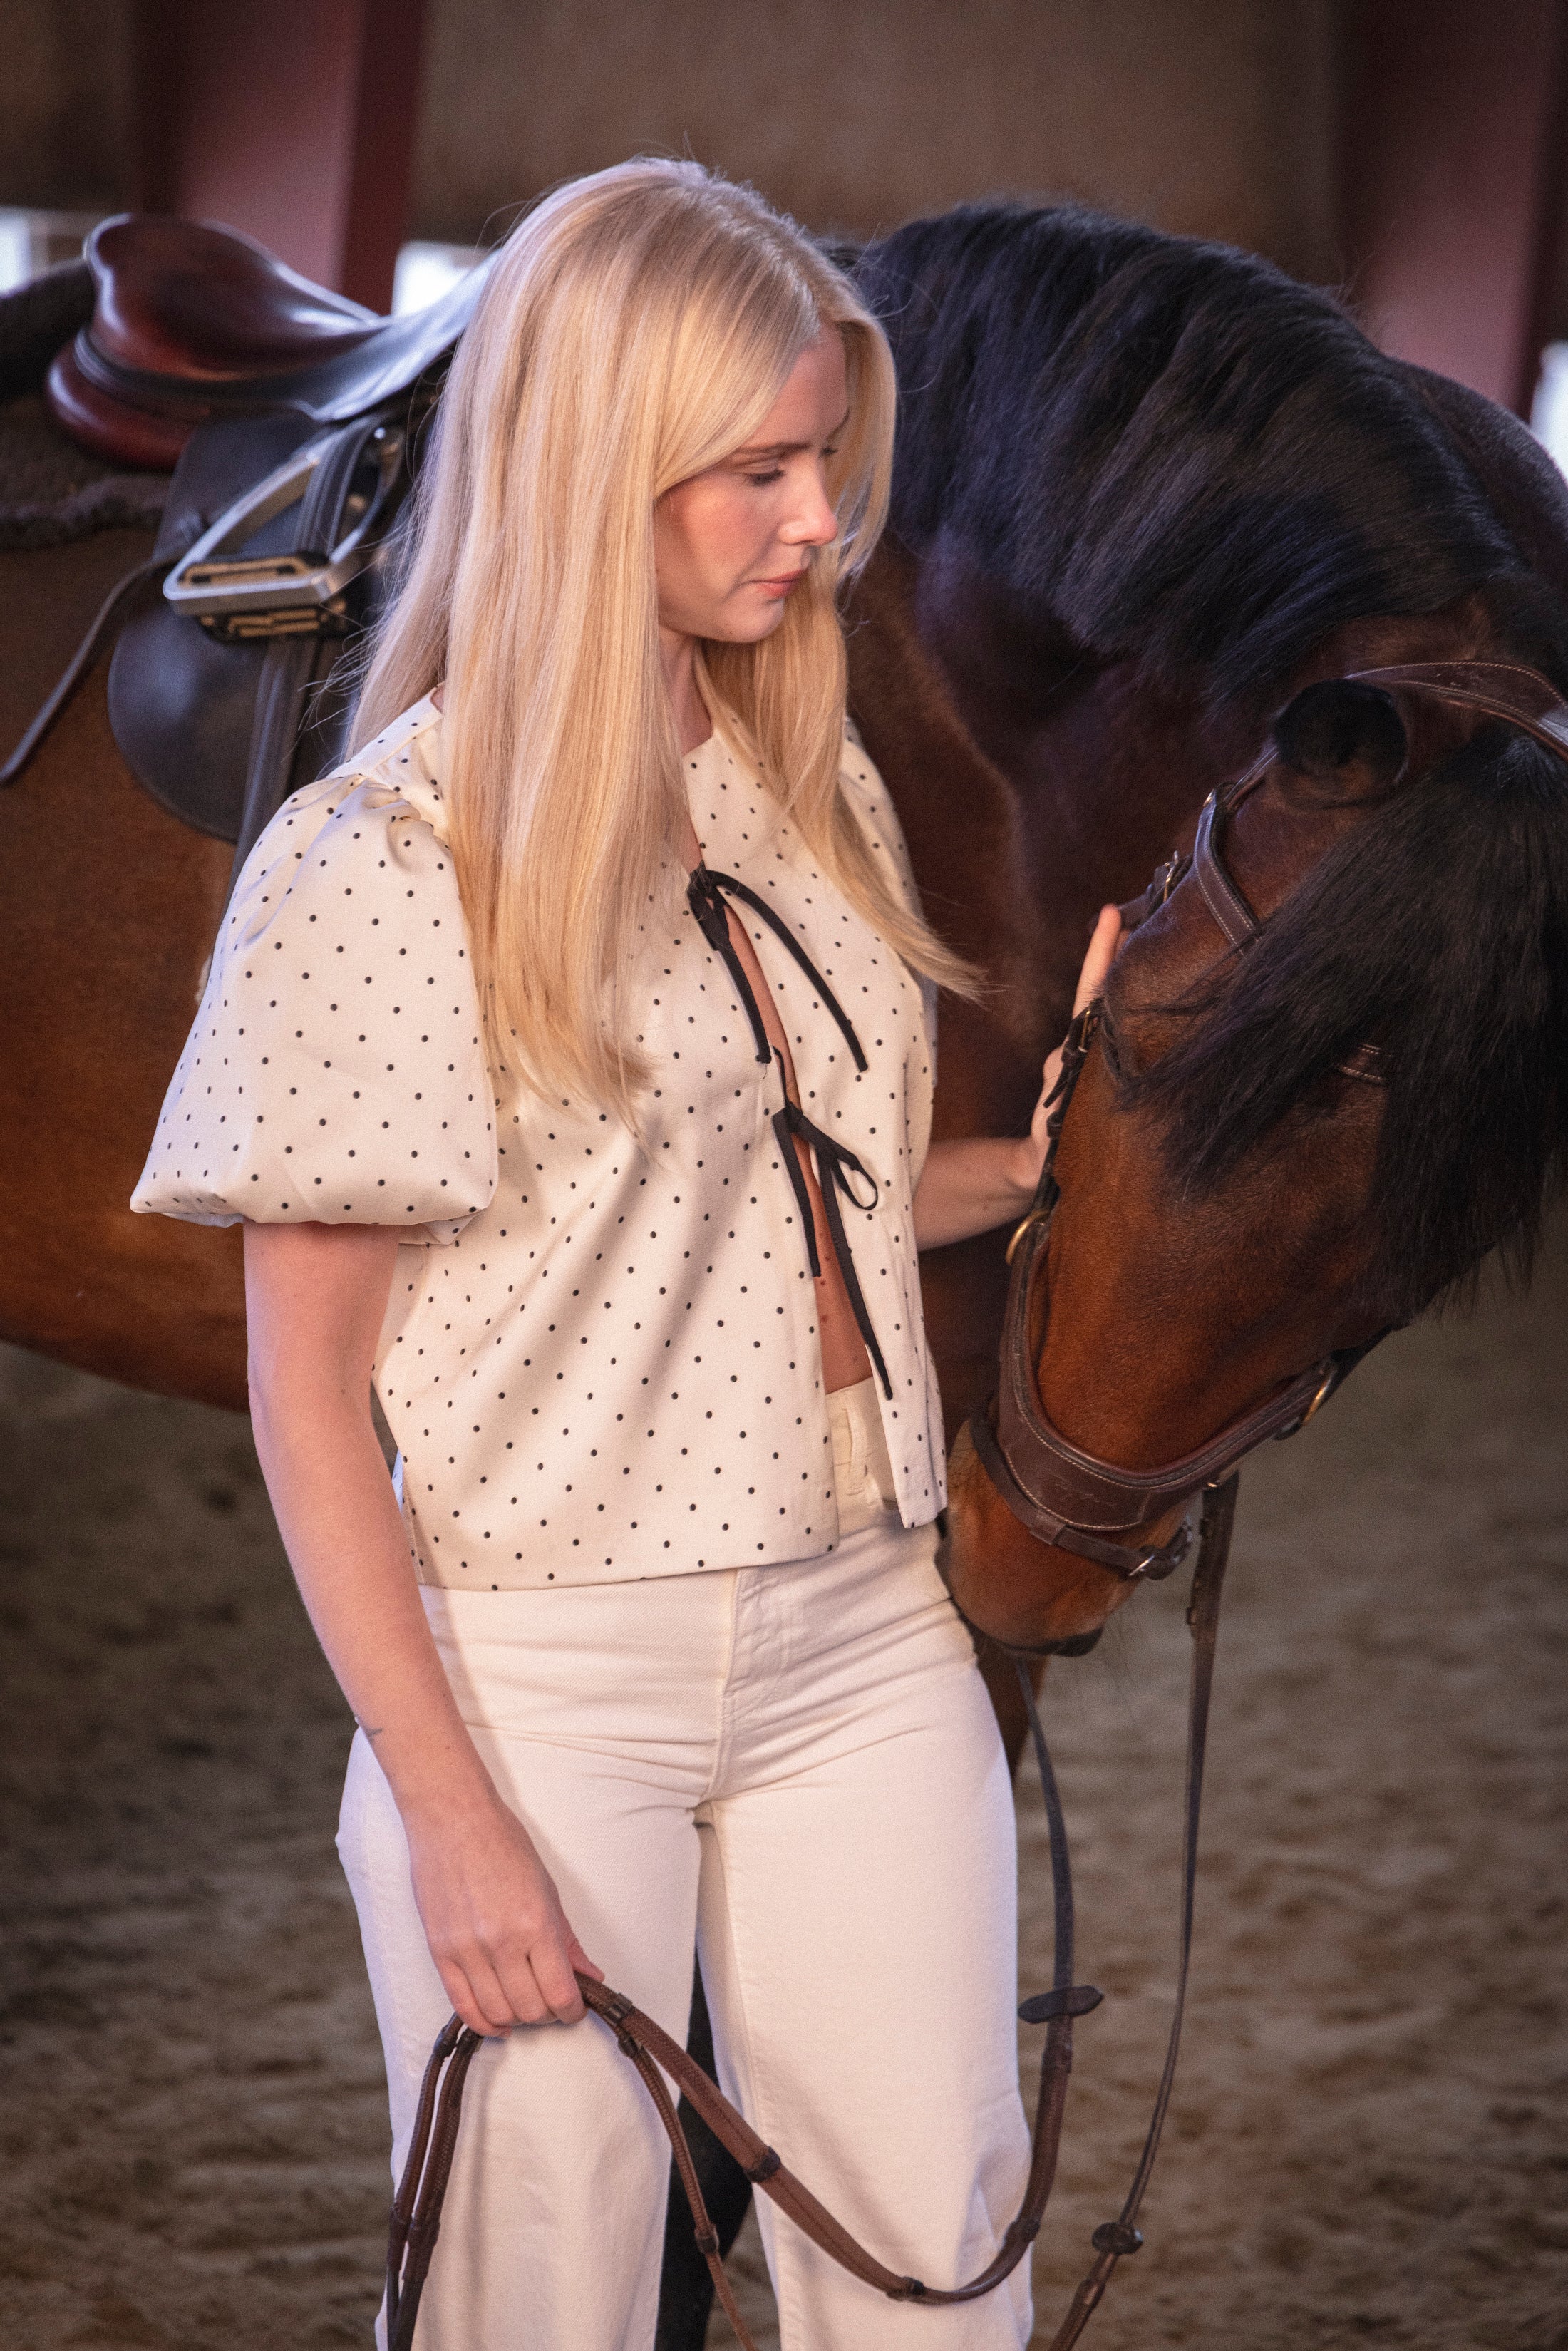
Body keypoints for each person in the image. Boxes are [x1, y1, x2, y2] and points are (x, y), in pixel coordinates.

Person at [133, 158, 1118, 2351]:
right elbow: (307, 1399)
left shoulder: (809, 783)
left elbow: (807, 1198)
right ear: (594, 472)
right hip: (539, 1676)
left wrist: (1061, 1149)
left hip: (864, 1630)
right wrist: (451, 1811)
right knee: (537, 2303)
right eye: (757, 470)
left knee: (941, 2265)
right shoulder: (378, 867)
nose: (817, 524)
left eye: (827, 466)